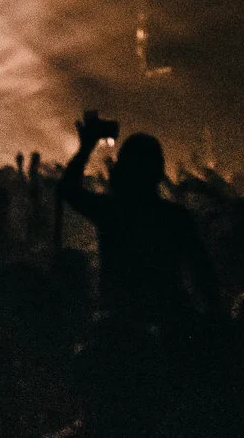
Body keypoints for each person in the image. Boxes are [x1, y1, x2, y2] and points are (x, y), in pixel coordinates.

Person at [56, 112, 218, 327]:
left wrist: (86, 147)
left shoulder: (112, 211)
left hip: (122, 324)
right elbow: (203, 274)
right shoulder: (176, 217)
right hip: (169, 321)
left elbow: (68, 190)